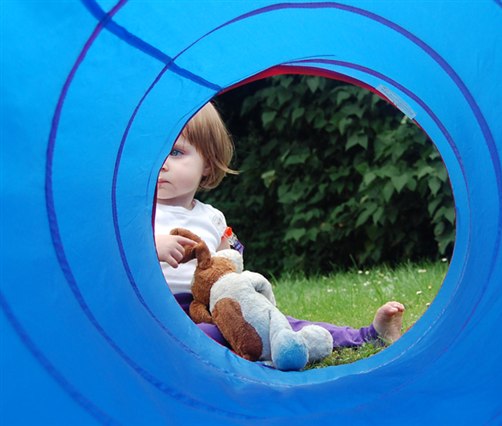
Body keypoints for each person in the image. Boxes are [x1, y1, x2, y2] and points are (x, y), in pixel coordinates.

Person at [154, 102, 405, 349]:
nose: (161, 163)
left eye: (175, 152)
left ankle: (367, 336)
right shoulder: (140, 214)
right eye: (153, 153)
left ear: (208, 164)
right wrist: (153, 246)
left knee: (276, 322)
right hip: (156, 312)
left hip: (212, 308)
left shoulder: (212, 218)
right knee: (200, 338)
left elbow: (228, 265)